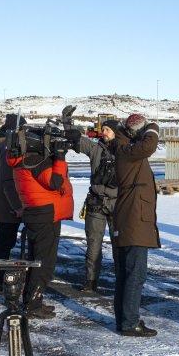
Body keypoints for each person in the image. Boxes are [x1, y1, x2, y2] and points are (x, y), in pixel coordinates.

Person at [7, 107, 77, 319]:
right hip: (44, 215)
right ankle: (32, 304)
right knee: (43, 262)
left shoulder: (23, 160)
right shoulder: (35, 162)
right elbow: (55, 182)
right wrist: (60, 158)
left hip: (39, 213)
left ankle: (33, 300)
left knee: (37, 259)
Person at [108, 113, 161, 337]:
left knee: (126, 273)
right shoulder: (126, 150)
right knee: (135, 274)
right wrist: (152, 127)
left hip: (129, 218)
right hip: (134, 220)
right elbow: (149, 145)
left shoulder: (123, 148)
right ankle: (129, 322)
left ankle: (124, 320)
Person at [67, 119, 119, 292]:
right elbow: (78, 140)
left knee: (119, 245)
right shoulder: (95, 148)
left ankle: (122, 281)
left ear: (116, 132)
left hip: (118, 204)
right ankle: (90, 281)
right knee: (93, 244)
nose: (104, 132)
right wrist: (68, 124)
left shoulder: (125, 151)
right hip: (96, 202)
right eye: (103, 129)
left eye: (107, 129)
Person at [0, 113, 26, 294]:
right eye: (23, 129)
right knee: (4, 245)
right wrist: (17, 206)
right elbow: (8, 182)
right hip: (6, 206)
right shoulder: (8, 148)